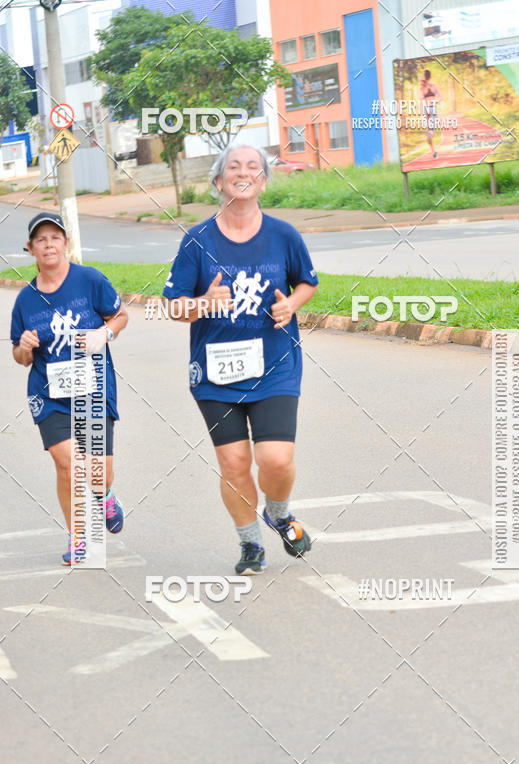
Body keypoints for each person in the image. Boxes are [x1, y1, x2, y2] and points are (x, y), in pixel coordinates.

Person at [163, 144, 318, 575]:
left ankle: (280, 513)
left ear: (264, 181)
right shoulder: (198, 240)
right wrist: (203, 302)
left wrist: (292, 306)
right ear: (219, 181)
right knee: (233, 463)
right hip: (215, 373)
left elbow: (307, 283)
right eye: (234, 166)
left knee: (276, 459)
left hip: (275, 365)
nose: (244, 172)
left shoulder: (283, 235)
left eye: (254, 166)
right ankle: (251, 544)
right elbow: (172, 306)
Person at [10, 212, 128, 564]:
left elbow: (120, 316)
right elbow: (19, 356)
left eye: (55, 238)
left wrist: (104, 334)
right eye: (41, 240)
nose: (48, 244)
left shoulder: (89, 280)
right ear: (31, 249)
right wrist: (26, 347)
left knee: (97, 471)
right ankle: (79, 537)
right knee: (68, 465)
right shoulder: (26, 300)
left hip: (92, 388)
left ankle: (104, 495)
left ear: (66, 243)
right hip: (49, 393)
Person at [420, 69, 443, 158]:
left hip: (432, 108)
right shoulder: (422, 87)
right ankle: (433, 151)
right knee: (428, 132)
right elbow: (421, 98)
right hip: (426, 109)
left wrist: (435, 102)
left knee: (430, 132)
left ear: (425, 76)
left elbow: (441, 97)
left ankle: (433, 150)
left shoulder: (434, 86)